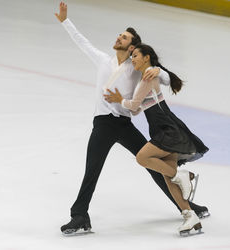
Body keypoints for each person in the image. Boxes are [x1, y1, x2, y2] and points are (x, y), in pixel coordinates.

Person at [54, 2, 209, 235]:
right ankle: (79, 216)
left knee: (153, 166)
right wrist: (66, 21)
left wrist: (160, 71)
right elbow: (82, 42)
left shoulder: (136, 68)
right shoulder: (103, 60)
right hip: (103, 124)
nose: (119, 38)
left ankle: (187, 207)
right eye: (119, 35)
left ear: (131, 47)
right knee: (92, 170)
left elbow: (162, 79)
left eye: (124, 37)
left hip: (124, 125)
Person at [104, 43, 209, 235]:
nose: (133, 58)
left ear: (146, 57)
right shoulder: (146, 78)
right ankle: (190, 215)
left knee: (142, 158)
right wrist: (125, 102)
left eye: (136, 55)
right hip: (163, 127)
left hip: (166, 129)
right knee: (167, 176)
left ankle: (183, 176)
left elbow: (134, 103)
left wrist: (120, 99)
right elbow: (135, 110)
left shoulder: (149, 74)